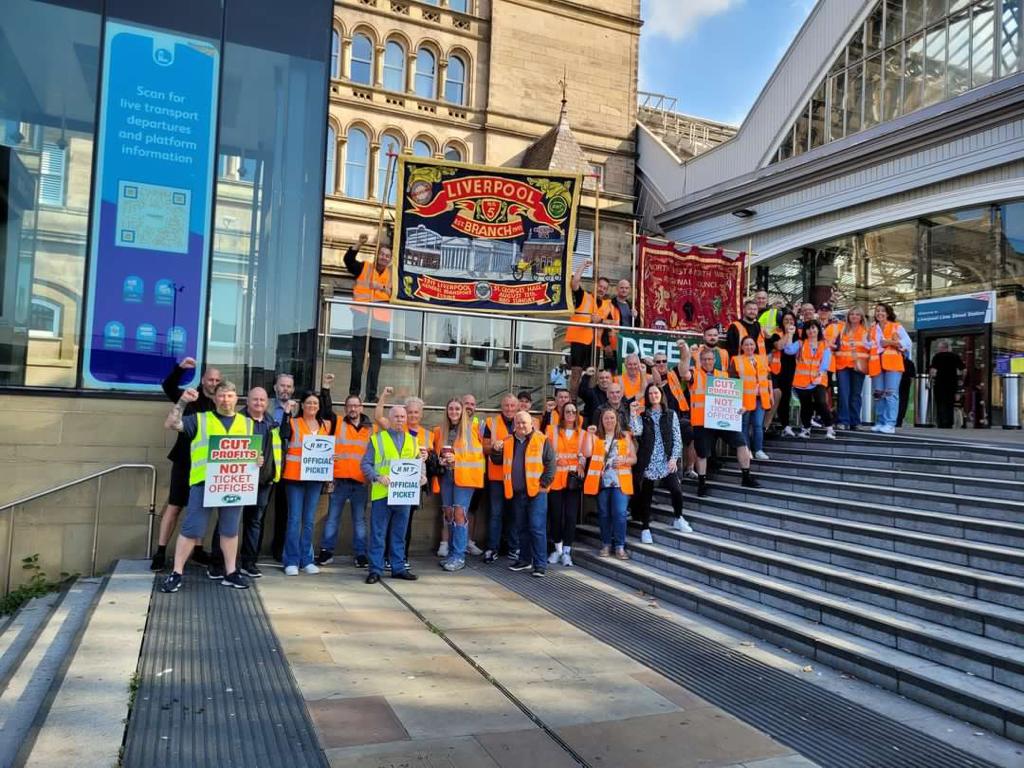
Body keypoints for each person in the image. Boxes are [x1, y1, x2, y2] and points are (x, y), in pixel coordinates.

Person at [159, 382, 256, 593]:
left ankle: (230, 573)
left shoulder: (247, 424)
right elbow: (171, 423)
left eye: (230, 396)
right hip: (203, 483)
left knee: (230, 531)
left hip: (232, 485)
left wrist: (258, 460)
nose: (226, 400)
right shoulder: (200, 419)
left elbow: (252, 453)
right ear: (214, 398)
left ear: (236, 398)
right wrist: (183, 401)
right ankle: (177, 573)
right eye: (221, 396)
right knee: (192, 530)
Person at [151, 358, 220, 571]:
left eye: (218, 380)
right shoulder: (190, 397)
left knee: (198, 508)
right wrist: (180, 369)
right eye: (210, 379)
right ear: (203, 380)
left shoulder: (219, 404)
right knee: (174, 506)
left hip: (206, 464)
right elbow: (168, 387)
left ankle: (197, 551)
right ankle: (160, 552)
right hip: (184, 461)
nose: (214, 383)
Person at [222, 386, 281, 579]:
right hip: (237, 480)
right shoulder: (236, 420)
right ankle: (219, 563)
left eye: (262, 400)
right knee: (228, 522)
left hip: (263, 481)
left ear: (267, 403)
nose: (259, 403)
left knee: (254, 522)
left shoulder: (272, 423)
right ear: (247, 401)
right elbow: (227, 448)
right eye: (255, 400)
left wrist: (272, 474)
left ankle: (249, 562)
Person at [362, 405, 422, 584]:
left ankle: (398, 568)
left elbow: (418, 463)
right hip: (382, 494)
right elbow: (365, 464)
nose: (400, 420)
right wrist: (377, 476)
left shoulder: (413, 441)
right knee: (378, 534)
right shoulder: (377, 439)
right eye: (396, 417)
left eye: (403, 417)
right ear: (389, 418)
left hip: (403, 496)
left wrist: (422, 476)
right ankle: (375, 570)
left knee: (399, 534)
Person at [689, 348, 760, 497]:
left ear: (714, 360)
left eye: (710, 359)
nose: (707, 362)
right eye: (704, 359)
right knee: (702, 453)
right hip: (702, 421)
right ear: (700, 361)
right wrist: (685, 352)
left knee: (741, 443)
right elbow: (684, 371)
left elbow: (734, 395)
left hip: (724, 418)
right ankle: (702, 484)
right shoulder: (695, 374)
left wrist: (742, 407)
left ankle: (746, 477)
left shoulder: (724, 375)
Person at [316, 387, 372, 568]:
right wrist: (326, 389)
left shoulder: (371, 429)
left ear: (361, 408)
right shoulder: (338, 422)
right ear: (346, 408)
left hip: (360, 481)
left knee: (359, 520)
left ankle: (361, 554)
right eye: (349, 406)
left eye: (356, 406)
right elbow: (325, 410)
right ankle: (326, 552)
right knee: (332, 517)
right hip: (339, 480)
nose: (353, 409)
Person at [629, 384, 692, 542]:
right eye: (650, 393)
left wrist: (673, 458)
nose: (653, 395)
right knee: (646, 496)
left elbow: (677, 438)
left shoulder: (670, 414)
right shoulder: (643, 415)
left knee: (676, 490)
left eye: (656, 392)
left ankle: (678, 517)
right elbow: (636, 432)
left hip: (666, 460)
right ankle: (645, 528)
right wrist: (633, 414)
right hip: (648, 460)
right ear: (647, 396)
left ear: (660, 394)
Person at [279, 391, 330, 576]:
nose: (312, 406)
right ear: (302, 405)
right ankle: (291, 560)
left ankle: (306, 559)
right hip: (294, 478)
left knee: (309, 520)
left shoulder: (325, 424)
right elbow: (282, 434)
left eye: (315, 403)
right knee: (294, 520)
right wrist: (286, 413)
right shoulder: (294, 422)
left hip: (315, 479)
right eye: (308, 403)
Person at [432, 397, 485, 572]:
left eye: (457, 409)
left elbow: (477, 456)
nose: (453, 412)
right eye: (451, 409)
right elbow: (438, 451)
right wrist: (440, 460)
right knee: (448, 513)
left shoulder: (471, 430)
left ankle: (458, 556)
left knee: (459, 513)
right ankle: (452, 555)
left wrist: (458, 459)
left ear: (462, 411)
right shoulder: (442, 431)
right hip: (447, 476)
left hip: (464, 477)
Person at [504, 411, 556, 577]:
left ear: (531, 424)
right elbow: (499, 461)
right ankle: (525, 560)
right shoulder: (509, 441)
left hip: (536, 493)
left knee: (537, 528)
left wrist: (544, 485)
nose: (521, 426)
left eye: (524, 423)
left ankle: (540, 564)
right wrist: (497, 450)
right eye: (518, 422)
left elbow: (551, 464)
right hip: (517, 493)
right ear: (514, 424)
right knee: (522, 529)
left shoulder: (542, 440)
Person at [583, 407, 636, 558]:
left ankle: (619, 546)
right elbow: (586, 453)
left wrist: (625, 460)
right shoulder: (596, 437)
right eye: (606, 418)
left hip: (620, 482)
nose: (609, 421)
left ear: (617, 420)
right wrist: (588, 435)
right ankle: (606, 544)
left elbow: (634, 458)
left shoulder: (625, 436)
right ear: (601, 420)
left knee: (619, 513)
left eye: (612, 418)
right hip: (601, 482)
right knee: (604, 514)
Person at [346, 234, 390, 403]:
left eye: (387, 256)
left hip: (380, 319)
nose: (384, 258)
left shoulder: (392, 275)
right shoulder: (365, 268)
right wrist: (359, 243)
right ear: (376, 255)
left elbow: (395, 293)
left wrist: (381, 287)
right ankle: (354, 393)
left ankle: (371, 394)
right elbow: (348, 261)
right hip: (362, 315)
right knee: (358, 356)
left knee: (376, 359)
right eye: (382, 254)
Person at [545, 402, 584, 567]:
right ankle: (557, 549)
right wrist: (555, 459)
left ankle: (567, 551)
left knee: (570, 516)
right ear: (562, 413)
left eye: (573, 411)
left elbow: (588, 453)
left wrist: (583, 461)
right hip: (555, 479)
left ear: (577, 415)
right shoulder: (551, 430)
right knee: (555, 515)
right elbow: (545, 452)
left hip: (572, 480)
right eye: (567, 411)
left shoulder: (582, 434)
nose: (570, 414)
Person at [482, 394, 519, 563]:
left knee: (514, 514)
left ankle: (514, 548)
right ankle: (491, 548)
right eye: (506, 405)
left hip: (515, 477)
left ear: (517, 407)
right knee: (495, 514)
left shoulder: (524, 422)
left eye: (512, 406)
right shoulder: (492, 422)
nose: (509, 409)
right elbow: (484, 446)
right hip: (496, 476)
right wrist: (494, 447)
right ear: (501, 407)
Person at [785, 321, 836, 440]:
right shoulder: (801, 343)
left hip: (819, 380)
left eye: (813, 328)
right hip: (802, 382)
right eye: (808, 329)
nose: (811, 331)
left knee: (821, 402)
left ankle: (829, 428)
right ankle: (806, 429)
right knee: (806, 406)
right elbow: (788, 350)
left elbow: (825, 362)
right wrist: (790, 335)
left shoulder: (824, 344)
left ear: (818, 330)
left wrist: (820, 374)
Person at [653, 340, 697, 478]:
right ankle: (674, 475)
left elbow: (684, 361)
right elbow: (657, 382)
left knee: (694, 435)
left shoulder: (673, 373)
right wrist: (652, 367)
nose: (661, 364)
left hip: (681, 415)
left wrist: (684, 347)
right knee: (673, 443)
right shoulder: (651, 375)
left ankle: (689, 468)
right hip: (663, 419)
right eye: (658, 362)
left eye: (664, 361)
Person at [869, 303, 911, 434]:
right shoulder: (872, 329)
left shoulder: (896, 326)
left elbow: (907, 343)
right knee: (879, 394)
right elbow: (868, 344)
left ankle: (890, 423)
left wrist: (890, 342)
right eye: (877, 311)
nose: (879, 313)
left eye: (882, 311)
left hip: (892, 363)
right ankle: (880, 422)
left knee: (891, 393)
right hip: (876, 363)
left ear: (888, 313)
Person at [268, 372, 296, 561]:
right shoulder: (266, 406)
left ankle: (278, 550)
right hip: (267, 464)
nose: (285, 389)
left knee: (283, 511)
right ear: (275, 387)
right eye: (282, 385)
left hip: (288, 466)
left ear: (292, 390)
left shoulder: (299, 409)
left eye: (288, 386)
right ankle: (249, 554)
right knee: (258, 511)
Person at [732, 336, 773, 460]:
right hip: (744, 398)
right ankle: (746, 450)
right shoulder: (736, 360)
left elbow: (768, 377)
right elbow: (733, 379)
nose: (749, 347)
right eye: (746, 345)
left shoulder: (762, 359)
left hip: (761, 398)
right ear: (742, 347)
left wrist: (771, 394)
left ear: (755, 346)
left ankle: (758, 450)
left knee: (758, 425)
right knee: (744, 425)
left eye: (751, 344)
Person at [834, 307, 872, 430]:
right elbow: (835, 346)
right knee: (844, 394)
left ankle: (855, 421)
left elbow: (872, 347)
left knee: (856, 394)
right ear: (848, 316)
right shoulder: (841, 330)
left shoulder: (867, 331)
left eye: (857, 314)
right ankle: (843, 420)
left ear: (861, 317)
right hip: (843, 366)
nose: (854, 316)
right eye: (852, 314)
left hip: (858, 366)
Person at [765, 310, 798, 436]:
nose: (789, 323)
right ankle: (769, 423)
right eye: (786, 320)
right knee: (775, 395)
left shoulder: (798, 334)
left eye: (791, 320)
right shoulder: (776, 333)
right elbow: (779, 346)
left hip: (790, 368)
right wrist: (788, 334)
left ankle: (786, 424)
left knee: (786, 396)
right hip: (775, 370)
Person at [930, 341, 965, 428]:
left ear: (942, 348)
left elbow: (933, 371)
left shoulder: (937, 356)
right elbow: (963, 369)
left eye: (939, 347)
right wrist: (961, 379)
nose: (938, 349)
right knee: (950, 403)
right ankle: (949, 422)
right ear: (948, 348)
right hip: (952, 383)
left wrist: (932, 378)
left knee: (940, 402)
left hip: (939, 383)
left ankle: (941, 422)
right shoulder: (955, 356)